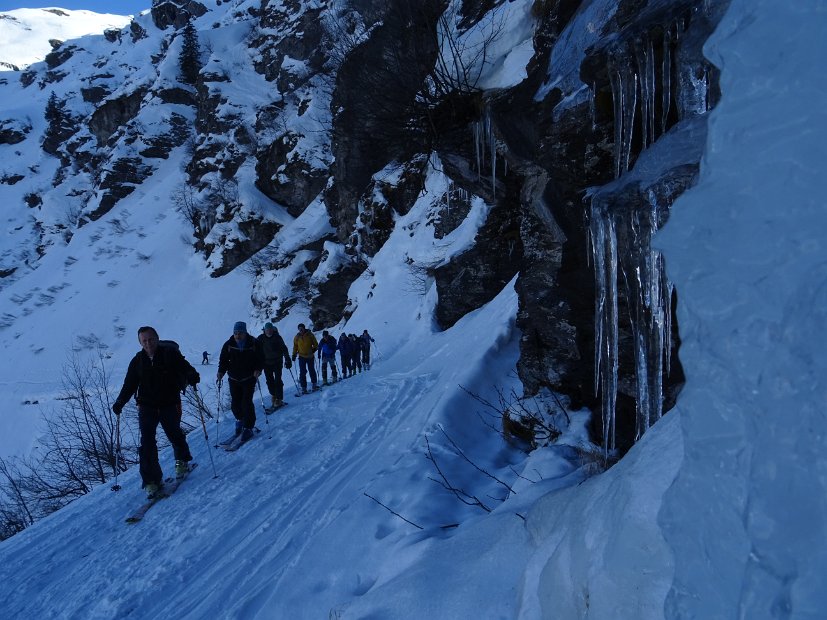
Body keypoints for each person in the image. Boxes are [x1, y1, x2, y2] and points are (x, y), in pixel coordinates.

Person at [112, 326, 199, 499]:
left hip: (169, 403)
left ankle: (181, 461)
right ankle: (151, 481)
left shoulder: (169, 354)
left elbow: (185, 367)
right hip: (147, 406)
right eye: (144, 340)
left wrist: (192, 375)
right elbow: (130, 384)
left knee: (174, 433)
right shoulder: (137, 361)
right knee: (147, 443)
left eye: (151, 339)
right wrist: (120, 401)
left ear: (157, 338)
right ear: (140, 342)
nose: (148, 343)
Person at [217, 321, 264, 440]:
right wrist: (221, 372)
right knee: (235, 404)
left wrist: (258, 369)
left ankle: (248, 427)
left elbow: (260, 358)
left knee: (246, 402)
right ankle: (240, 420)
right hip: (233, 378)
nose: (237, 335)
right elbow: (223, 360)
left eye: (240, 333)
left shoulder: (253, 343)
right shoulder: (228, 344)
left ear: (245, 332)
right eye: (235, 333)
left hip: (249, 378)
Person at [259, 322, 291, 409]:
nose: (269, 331)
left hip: (277, 362)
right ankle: (274, 395)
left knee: (277, 380)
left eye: (270, 329)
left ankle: (279, 399)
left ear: (272, 329)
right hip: (266, 364)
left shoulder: (277, 338)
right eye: (267, 330)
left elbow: (284, 349)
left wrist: (287, 359)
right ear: (264, 330)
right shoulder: (261, 338)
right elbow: (256, 349)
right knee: (269, 381)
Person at [292, 323, 318, 393]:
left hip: (310, 356)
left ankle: (314, 385)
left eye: (302, 328)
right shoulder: (297, 337)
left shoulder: (310, 335)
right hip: (301, 356)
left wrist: (314, 349)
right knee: (302, 372)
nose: (301, 330)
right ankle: (304, 388)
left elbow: (315, 344)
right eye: (299, 329)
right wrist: (294, 355)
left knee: (311, 370)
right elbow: (295, 346)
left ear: (304, 328)